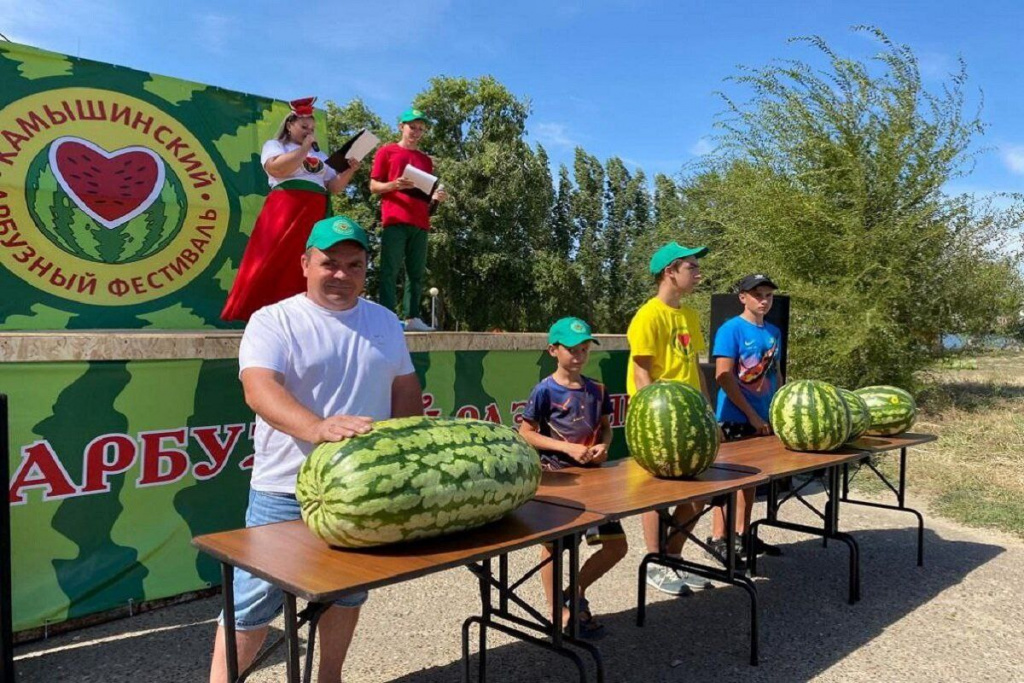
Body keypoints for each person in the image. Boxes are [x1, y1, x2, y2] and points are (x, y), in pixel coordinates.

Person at [209, 215, 423, 683]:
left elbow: (405, 390)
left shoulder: (385, 322)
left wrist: (411, 450)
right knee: (251, 604)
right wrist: (316, 427)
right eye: (330, 263)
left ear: (367, 268)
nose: (342, 274)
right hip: (284, 492)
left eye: (354, 264)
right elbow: (259, 389)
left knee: (345, 594)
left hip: (366, 493)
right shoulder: (274, 320)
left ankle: (329, 677)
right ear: (305, 262)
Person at [519, 317, 627, 638]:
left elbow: (606, 428)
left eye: (583, 349)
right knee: (555, 548)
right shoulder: (544, 391)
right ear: (553, 350)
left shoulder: (597, 389)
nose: (578, 356)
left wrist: (603, 447)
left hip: (594, 484)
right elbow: (526, 433)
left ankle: (573, 592)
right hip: (559, 483)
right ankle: (559, 612)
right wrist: (565, 448)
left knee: (616, 547)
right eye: (571, 349)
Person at [626, 242, 716, 597]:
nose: (698, 274)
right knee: (656, 495)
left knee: (697, 496)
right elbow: (640, 371)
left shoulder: (689, 316)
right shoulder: (648, 315)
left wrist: (708, 411)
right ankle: (655, 563)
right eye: (692, 268)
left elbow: (694, 366)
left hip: (691, 419)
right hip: (659, 421)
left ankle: (674, 558)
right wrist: (655, 423)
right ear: (670, 272)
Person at [222, 97, 361, 322]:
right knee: (272, 257)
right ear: (290, 125)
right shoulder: (275, 146)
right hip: (285, 206)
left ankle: (305, 312)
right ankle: (253, 312)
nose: (309, 131)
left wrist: (350, 170)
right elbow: (277, 169)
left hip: (315, 209)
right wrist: (304, 148)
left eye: (312, 128)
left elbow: (334, 187)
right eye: (304, 126)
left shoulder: (322, 156)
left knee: (310, 258)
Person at [709, 273, 785, 559]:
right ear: (743, 297)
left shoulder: (774, 332)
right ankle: (719, 536)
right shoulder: (731, 330)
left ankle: (742, 533)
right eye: (757, 295)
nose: (763, 300)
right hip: (734, 416)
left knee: (752, 481)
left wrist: (780, 408)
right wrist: (751, 415)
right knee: (727, 480)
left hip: (764, 419)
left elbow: (776, 373)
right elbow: (723, 376)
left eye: (767, 295)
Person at [369, 107, 448, 331]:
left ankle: (412, 317)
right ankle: (387, 316)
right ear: (401, 127)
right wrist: (393, 185)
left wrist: (435, 198)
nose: (416, 132)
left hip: (420, 222)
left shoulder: (425, 160)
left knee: (416, 273)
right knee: (389, 270)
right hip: (394, 219)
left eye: (421, 129)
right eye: (412, 127)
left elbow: (424, 198)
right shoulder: (386, 152)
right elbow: (373, 186)